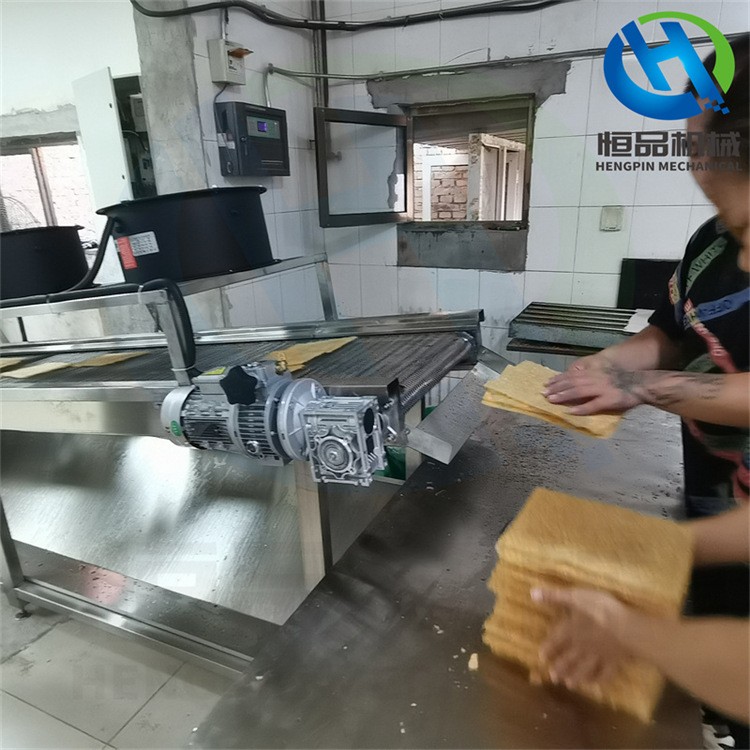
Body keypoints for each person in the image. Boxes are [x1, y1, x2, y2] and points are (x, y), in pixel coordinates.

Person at [539, 33, 749, 748]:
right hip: (721, 504)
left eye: (702, 144)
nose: (693, 162)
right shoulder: (714, 243)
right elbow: (672, 329)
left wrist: (636, 634)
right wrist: (612, 366)